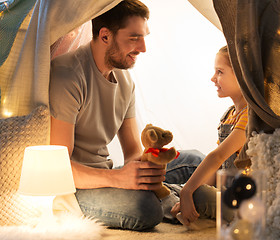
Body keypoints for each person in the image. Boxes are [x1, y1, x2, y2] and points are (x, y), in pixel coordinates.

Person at [49, 0, 208, 231]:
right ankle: (176, 197)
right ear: (105, 36)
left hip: (106, 175)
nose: (143, 48)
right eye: (134, 38)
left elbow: (133, 152)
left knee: (195, 161)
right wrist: (120, 179)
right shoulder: (68, 76)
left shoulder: (124, 81)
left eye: (144, 37)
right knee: (146, 209)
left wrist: (147, 166)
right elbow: (59, 168)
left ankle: (178, 194)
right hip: (75, 189)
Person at [171, 45, 248, 226]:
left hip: (243, 202)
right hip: (224, 190)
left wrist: (188, 192)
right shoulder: (230, 115)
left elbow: (217, 156)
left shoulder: (250, 116)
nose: (213, 78)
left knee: (194, 193)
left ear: (242, 74)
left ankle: (176, 204)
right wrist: (191, 189)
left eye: (220, 72)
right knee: (190, 188)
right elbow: (218, 166)